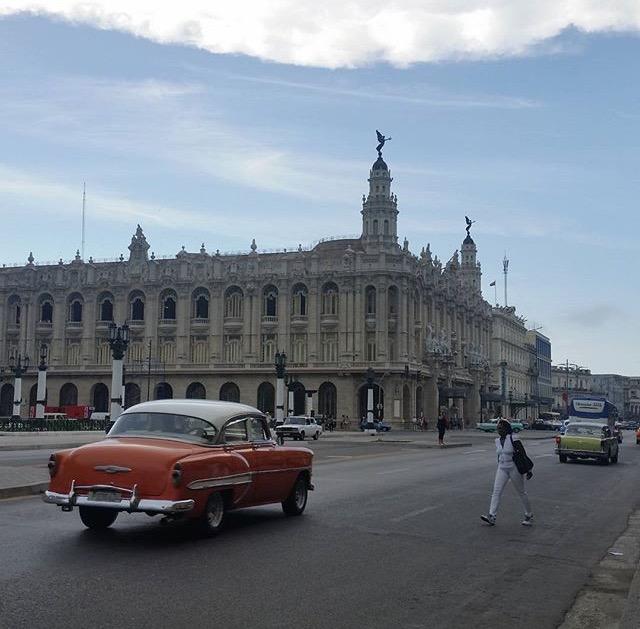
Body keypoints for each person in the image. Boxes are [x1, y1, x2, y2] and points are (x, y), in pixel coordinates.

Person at [481, 419, 534, 527]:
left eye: (500, 428)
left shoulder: (513, 438)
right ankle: (492, 516)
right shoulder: (497, 441)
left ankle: (528, 514)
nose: (499, 430)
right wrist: (500, 463)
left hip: (514, 467)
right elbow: (499, 454)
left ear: (506, 429)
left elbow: (523, 454)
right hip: (502, 467)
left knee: (521, 492)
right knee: (496, 491)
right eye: (497, 428)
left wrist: (528, 470)